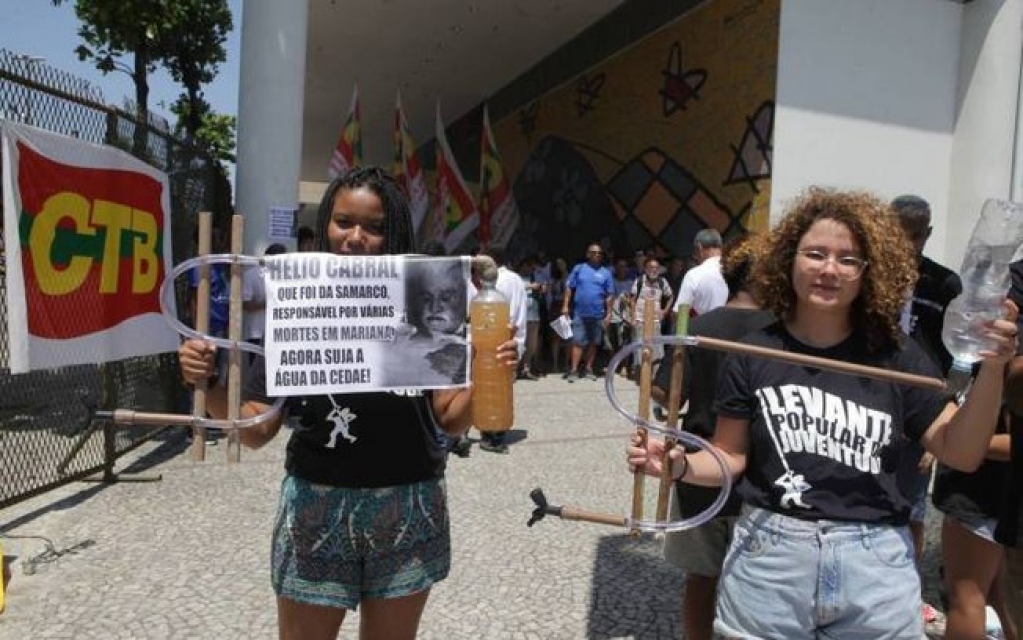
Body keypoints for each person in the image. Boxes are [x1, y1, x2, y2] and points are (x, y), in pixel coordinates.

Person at [628, 187, 1019, 638]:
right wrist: (677, 465)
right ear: (789, 260)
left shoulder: (897, 356)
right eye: (815, 253)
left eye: (848, 259)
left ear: (869, 271)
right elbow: (729, 457)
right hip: (769, 561)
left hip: (875, 568)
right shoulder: (752, 352)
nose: (830, 269)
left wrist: (992, 368)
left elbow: (962, 452)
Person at [177, 166, 519, 640]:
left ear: (394, 233)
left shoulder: (425, 299)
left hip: (409, 505)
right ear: (325, 227)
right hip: (317, 510)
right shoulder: (296, 305)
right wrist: (210, 384)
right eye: (343, 222)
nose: (356, 237)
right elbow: (256, 430)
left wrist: (489, 371)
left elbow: (451, 419)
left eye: (374, 227)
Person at [652, 239, 774, 640]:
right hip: (764, 474)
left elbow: (665, 393)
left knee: (701, 579)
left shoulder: (699, 329)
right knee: (759, 583)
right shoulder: (782, 335)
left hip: (699, 467)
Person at [889, 194, 963, 627]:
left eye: (915, 237)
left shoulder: (943, 284)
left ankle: (907, 594)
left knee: (912, 509)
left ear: (928, 235)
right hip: (871, 401)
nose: (906, 245)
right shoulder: (867, 273)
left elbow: (959, 361)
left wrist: (944, 418)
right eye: (899, 234)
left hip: (923, 409)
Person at [477, 245, 527, 454]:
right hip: (513, 340)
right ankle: (498, 433)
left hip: (495, 341)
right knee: (503, 387)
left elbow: (488, 318)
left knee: (489, 388)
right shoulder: (518, 280)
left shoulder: (498, 283)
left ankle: (492, 436)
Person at [561, 243, 614, 382]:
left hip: (598, 313)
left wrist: (609, 313)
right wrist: (565, 306)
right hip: (580, 312)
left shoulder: (606, 272)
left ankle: (589, 369)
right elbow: (569, 288)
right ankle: (573, 370)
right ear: (588, 254)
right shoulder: (579, 269)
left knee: (593, 343)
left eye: (599, 253)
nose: (597, 255)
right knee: (578, 342)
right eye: (594, 252)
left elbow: (609, 295)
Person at [242, 243, 287, 366]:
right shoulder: (251, 275)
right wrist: (269, 303)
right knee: (257, 373)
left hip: (278, 333)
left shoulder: (284, 276)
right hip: (256, 332)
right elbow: (244, 304)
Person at [628, 256, 673, 380]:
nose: (654, 270)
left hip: (655, 320)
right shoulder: (639, 281)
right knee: (639, 347)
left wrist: (665, 311)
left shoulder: (662, 282)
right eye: (651, 267)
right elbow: (632, 300)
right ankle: (640, 376)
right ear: (645, 269)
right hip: (640, 319)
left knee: (657, 347)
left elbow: (670, 296)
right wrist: (633, 317)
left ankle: (654, 376)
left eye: (656, 268)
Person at [672, 229, 728, 318]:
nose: (696, 257)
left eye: (695, 252)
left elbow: (680, 313)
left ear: (700, 248)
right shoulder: (735, 271)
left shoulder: (694, 274)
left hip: (701, 330)